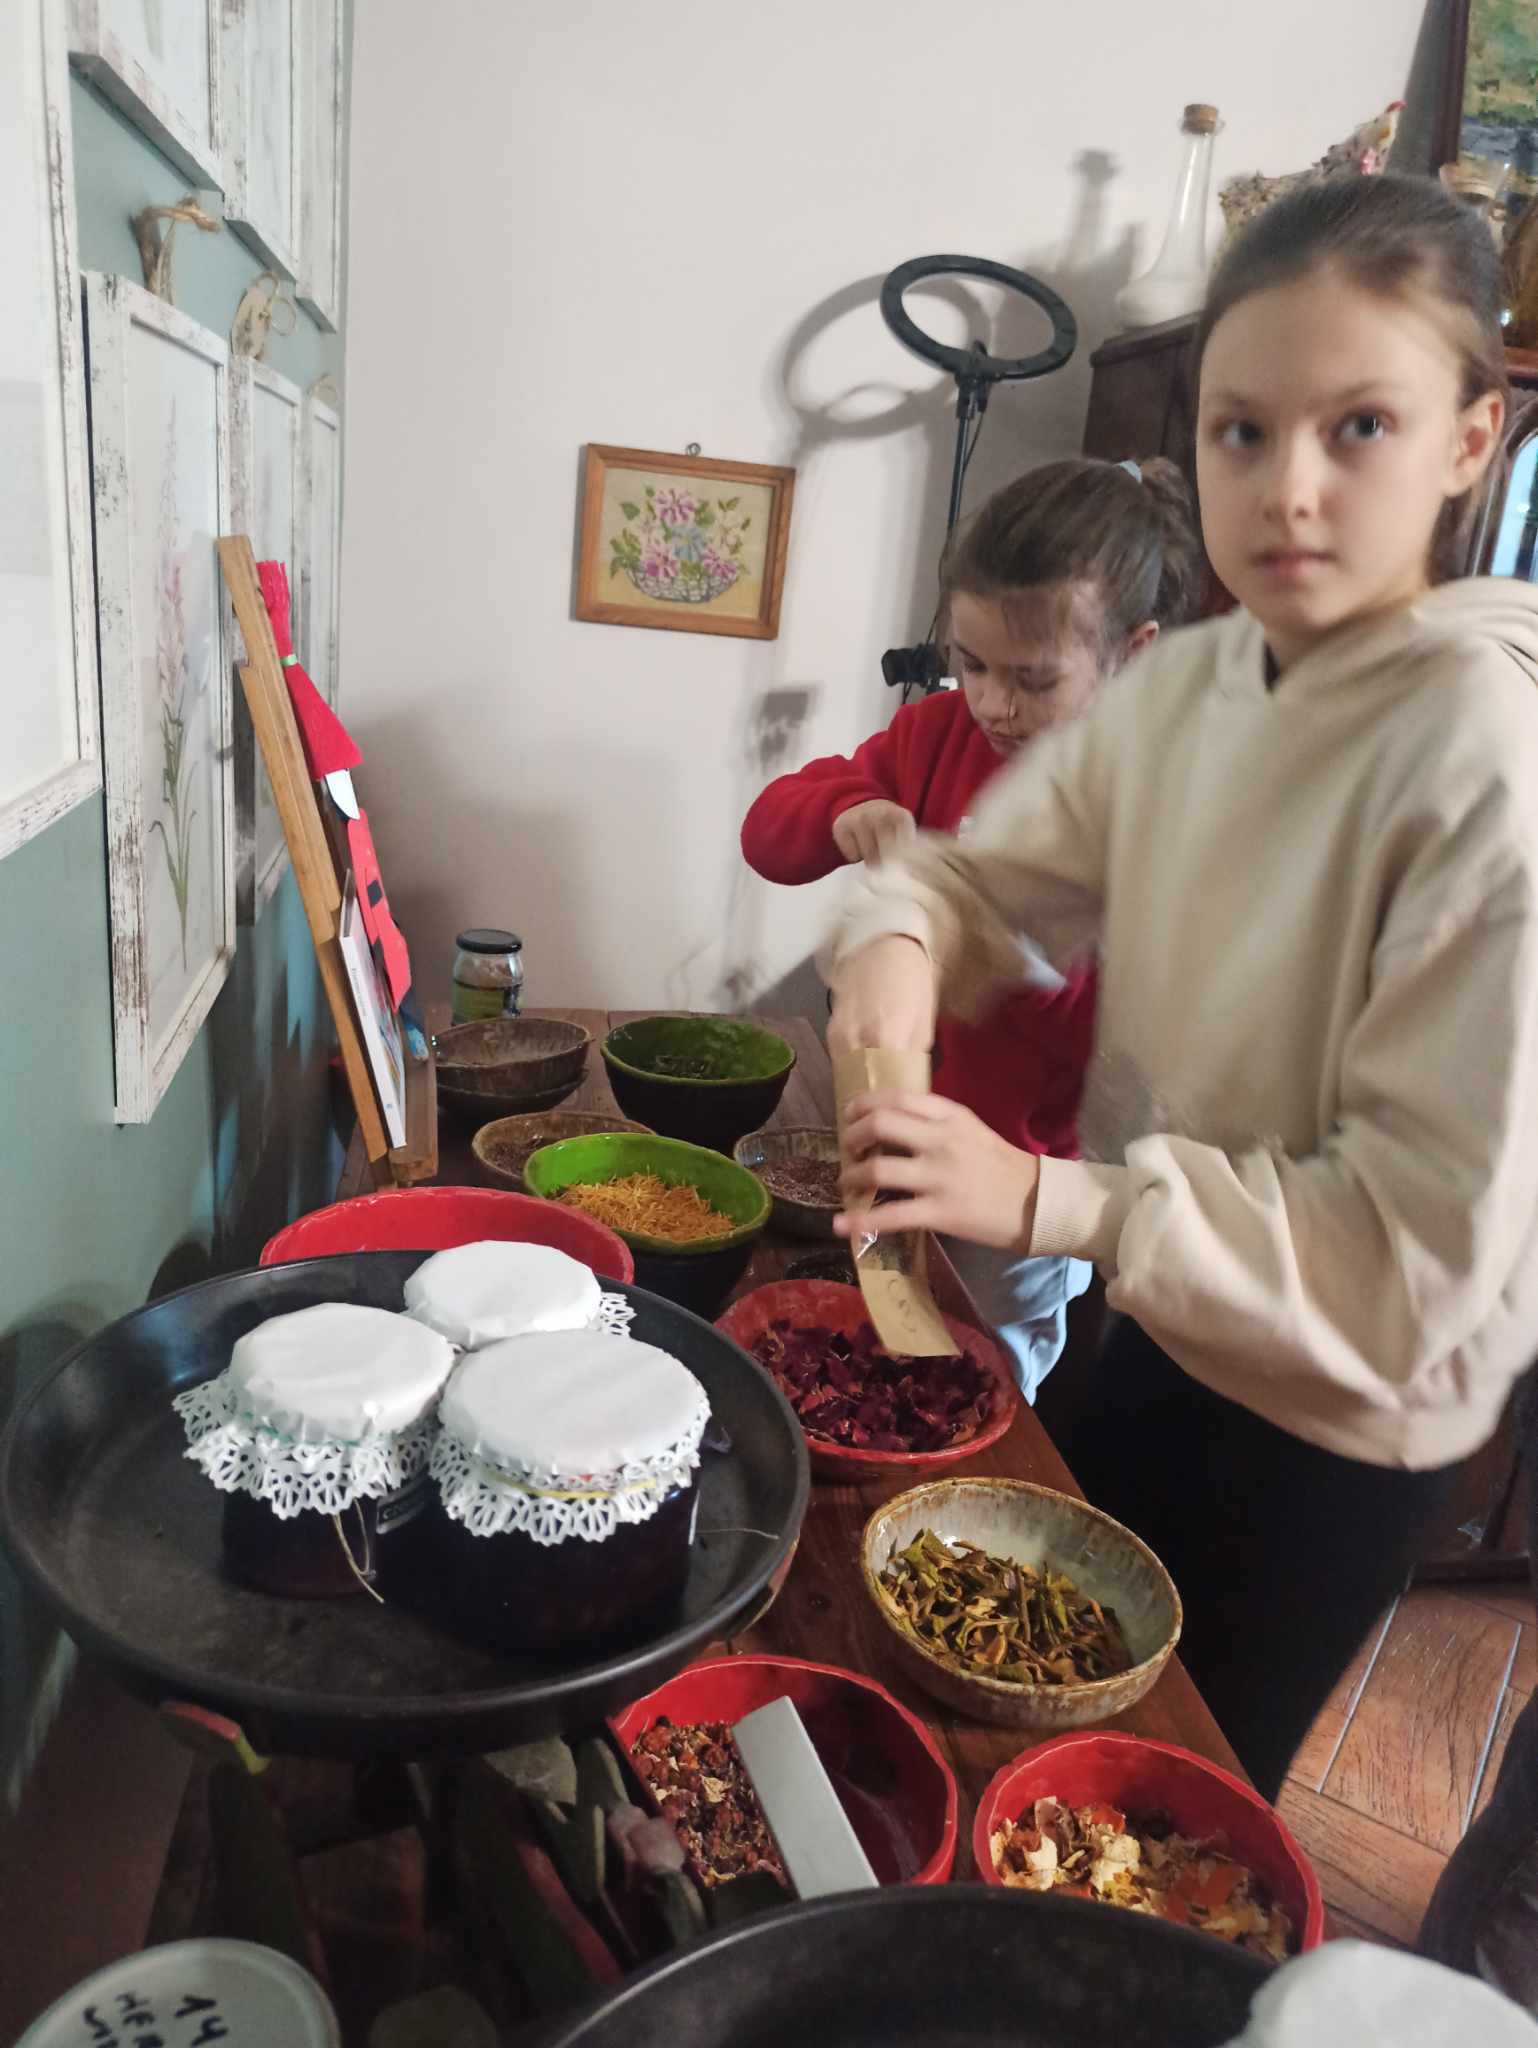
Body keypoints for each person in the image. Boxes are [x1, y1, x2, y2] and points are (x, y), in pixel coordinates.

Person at [823, 172, 1538, 1800]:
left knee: (1157, 1811)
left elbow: (1410, 1263)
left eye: (1357, 427)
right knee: (1025, 1725)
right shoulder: (1199, 688)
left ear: (1466, 439)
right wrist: (896, 944)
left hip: (1335, 1421)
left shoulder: (1481, 761)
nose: (1286, 490)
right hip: (1167, 1318)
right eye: (1239, 431)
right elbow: (974, 874)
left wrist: (1042, 1197)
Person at [741, 456, 1203, 1396]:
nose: (993, 703)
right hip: (885, 1133)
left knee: (975, 1382)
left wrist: (937, 935)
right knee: (870, 1353)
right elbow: (768, 833)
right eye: (972, 663)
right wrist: (845, 811)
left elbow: (1107, 1034)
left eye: (1033, 679)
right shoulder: (938, 733)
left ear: (1136, 652)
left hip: (1020, 1187)